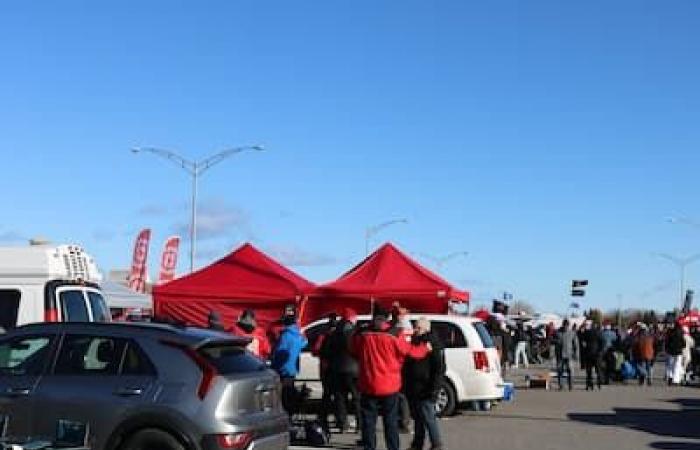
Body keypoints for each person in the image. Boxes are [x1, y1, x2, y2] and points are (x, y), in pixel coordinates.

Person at [351, 307, 430, 450]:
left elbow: (352, 350)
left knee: (368, 421)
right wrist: (425, 348)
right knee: (390, 421)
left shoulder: (362, 334)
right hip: (389, 384)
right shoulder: (394, 334)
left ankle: (369, 447)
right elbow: (410, 351)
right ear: (387, 317)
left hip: (368, 383)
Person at [404, 317, 445, 450]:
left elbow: (439, 368)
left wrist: (434, 388)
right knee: (418, 417)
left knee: (428, 417)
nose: (415, 330)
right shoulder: (415, 341)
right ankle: (417, 443)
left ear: (425, 329)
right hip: (415, 386)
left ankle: (436, 444)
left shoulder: (432, 343)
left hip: (426, 386)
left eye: (418, 328)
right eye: (415, 327)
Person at [325, 309, 361, 433]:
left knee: (340, 397)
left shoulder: (333, 333)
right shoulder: (355, 333)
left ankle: (342, 424)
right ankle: (360, 425)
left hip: (337, 369)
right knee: (357, 398)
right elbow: (359, 350)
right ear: (351, 320)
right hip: (354, 369)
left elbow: (327, 351)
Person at [271, 309, 308, 414]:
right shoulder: (298, 336)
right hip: (293, 369)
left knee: (284, 394)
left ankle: (286, 412)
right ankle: (291, 411)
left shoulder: (285, 336)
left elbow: (279, 353)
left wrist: (273, 365)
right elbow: (304, 343)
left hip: (283, 368)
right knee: (290, 390)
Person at [315, 313, 340, 432]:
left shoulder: (323, 335)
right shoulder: (341, 335)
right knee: (338, 395)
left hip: (326, 368)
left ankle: (323, 417)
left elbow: (316, 350)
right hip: (337, 367)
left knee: (327, 394)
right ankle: (340, 419)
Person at [579, 321, 603, 390]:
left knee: (589, 371)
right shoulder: (599, 333)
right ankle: (599, 384)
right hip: (596, 354)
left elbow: (582, 341)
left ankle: (589, 385)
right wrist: (600, 352)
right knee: (598, 370)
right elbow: (602, 343)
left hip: (588, 353)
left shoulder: (586, 333)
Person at [554, 319, 578, 391]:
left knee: (570, 370)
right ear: (563, 325)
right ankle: (561, 385)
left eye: (567, 325)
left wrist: (576, 354)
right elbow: (553, 342)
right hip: (560, 354)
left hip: (569, 354)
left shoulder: (572, 333)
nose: (566, 327)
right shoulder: (558, 332)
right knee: (560, 371)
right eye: (565, 325)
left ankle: (571, 385)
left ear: (569, 325)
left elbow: (576, 344)